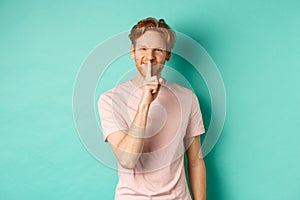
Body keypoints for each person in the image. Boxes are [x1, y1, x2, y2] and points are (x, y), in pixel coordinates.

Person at [98, 17, 206, 200]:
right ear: (132, 52)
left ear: (168, 55)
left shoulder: (188, 98)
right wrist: (145, 104)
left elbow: (195, 161)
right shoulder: (110, 100)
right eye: (143, 49)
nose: (150, 56)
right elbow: (127, 160)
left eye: (157, 50)